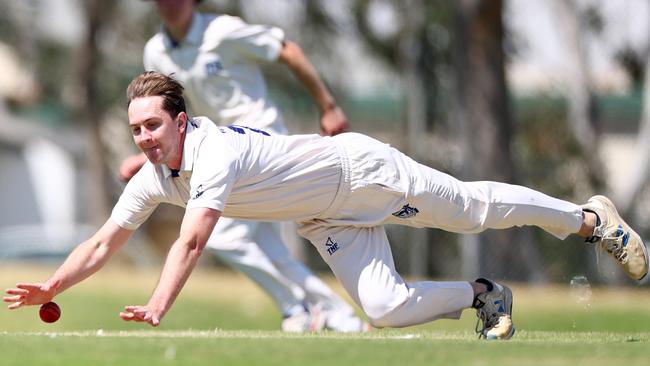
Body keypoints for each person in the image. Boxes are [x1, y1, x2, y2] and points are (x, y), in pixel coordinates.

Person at [5, 72, 648, 340]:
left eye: (152, 125)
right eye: (135, 128)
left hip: (359, 171)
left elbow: (193, 240)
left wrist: (158, 305)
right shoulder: (152, 176)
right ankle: (485, 295)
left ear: (181, 121)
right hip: (324, 216)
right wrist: (53, 285)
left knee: (474, 210)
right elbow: (101, 242)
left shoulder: (213, 152)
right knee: (385, 308)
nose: (142, 137)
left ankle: (589, 220)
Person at [121, 0, 366, 332]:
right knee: (270, 249)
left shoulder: (224, 32)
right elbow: (168, 116)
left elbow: (289, 51)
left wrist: (328, 106)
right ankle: (341, 318)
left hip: (260, 145)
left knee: (223, 238)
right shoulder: (156, 51)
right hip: (214, 152)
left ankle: (296, 306)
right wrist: (148, 154)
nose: (169, 4)